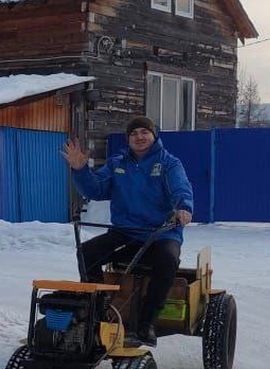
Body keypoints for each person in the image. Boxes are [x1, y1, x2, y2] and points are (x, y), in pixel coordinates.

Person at [60, 116, 194, 348]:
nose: (139, 137)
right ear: (128, 139)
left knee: (167, 260)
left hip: (161, 233)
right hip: (127, 232)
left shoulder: (169, 163)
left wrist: (183, 207)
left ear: (154, 136)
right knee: (87, 252)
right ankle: (99, 311)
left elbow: (181, 188)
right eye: (134, 134)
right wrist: (80, 169)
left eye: (144, 132)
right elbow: (96, 189)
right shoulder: (117, 163)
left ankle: (146, 324)